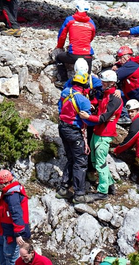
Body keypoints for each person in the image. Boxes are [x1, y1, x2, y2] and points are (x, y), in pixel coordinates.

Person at [80, 69, 123, 200]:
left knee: (100, 162)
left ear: (111, 83)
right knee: (96, 159)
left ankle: (103, 191)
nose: (102, 85)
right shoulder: (107, 95)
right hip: (99, 132)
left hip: (104, 133)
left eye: (105, 84)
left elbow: (103, 118)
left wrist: (88, 117)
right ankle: (110, 184)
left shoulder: (114, 99)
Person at [56, 73, 93, 202]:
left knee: (71, 159)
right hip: (74, 131)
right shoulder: (83, 100)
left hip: (63, 128)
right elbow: (88, 120)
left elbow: (60, 108)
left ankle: (64, 188)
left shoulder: (65, 92)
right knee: (80, 162)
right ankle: (79, 194)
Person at [51, 0, 96, 87]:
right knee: (87, 78)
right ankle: (88, 85)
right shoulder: (91, 23)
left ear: (76, 10)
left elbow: (62, 35)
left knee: (58, 58)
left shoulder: (70, 20)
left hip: (73, 55)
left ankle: (63, 80)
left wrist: (59, 47)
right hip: (87, 56)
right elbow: (91, 37)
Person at [0, 169, 31, 265]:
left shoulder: (12, 196)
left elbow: (17, 214)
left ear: (5, 183)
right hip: (7, 229)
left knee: (11, 257)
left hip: (12, 232)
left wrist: (18, 234)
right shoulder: (10, 191)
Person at [113, 46, 139, 116]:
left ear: (126, 57)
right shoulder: (133, 63)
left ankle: (125, 116)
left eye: (120, 58)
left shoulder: (130, 65)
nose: (119, 60)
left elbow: (115, 76)